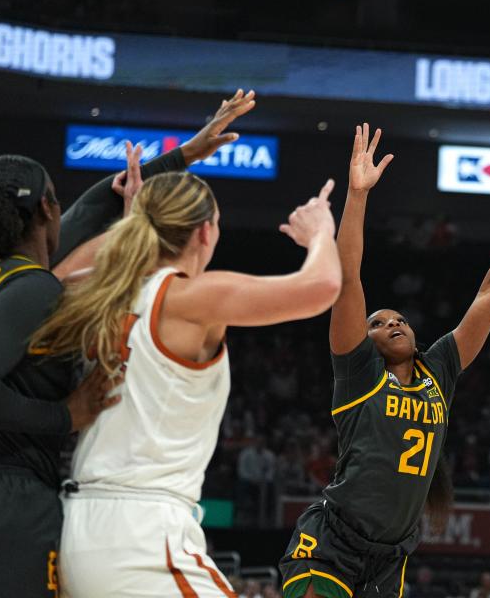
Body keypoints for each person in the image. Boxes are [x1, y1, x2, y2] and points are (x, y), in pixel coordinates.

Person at [30, 164, 341, 596]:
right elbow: (322, 285)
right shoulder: (189, 298)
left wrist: (128, 224)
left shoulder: (100, 291)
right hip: (143, 533)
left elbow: (40, 288)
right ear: (205, 233)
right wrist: (321, 231)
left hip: (80, 524)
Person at [0, 89, 255, 597]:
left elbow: (93, 208)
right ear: (46, 209)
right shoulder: (33, 286)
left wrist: (186, 153)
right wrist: (64, 416)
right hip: (12, 496)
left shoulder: (21, 274)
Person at [279, 124, 490, 598]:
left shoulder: (439, 369)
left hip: (392, 554)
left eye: (399, 319)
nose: (394, 324)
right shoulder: (358, 372)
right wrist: (358, 196)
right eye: (379, 323)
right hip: (331, 542)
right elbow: (348, 277)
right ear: (365, 340)